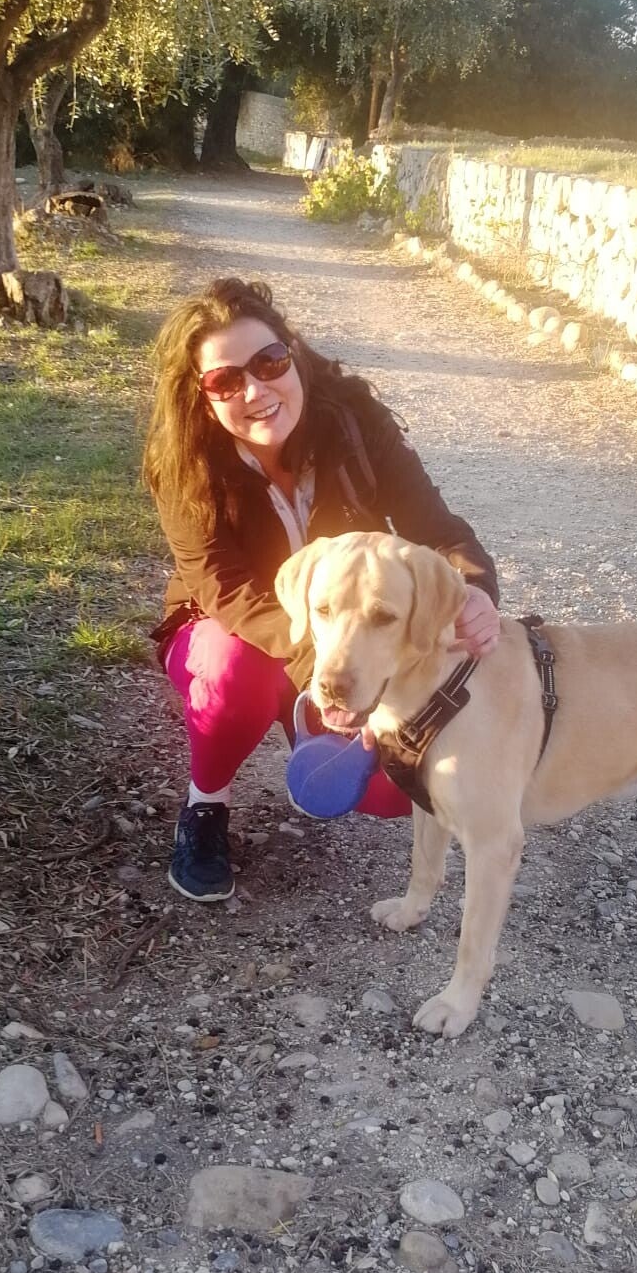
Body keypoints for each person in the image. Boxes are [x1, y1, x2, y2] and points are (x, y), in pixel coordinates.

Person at [144, 276, 500, 902]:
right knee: (235, 672)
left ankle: (309, 744)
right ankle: (206, 806)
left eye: (269, 361)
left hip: (342, 642)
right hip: (234, 633)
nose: (255, 390)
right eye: (225, 382)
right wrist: (319, 669)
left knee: (394, 792)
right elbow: (222, 587)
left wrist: (472, 592)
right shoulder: (185, 464)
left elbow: (437, 528)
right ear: (203, 399)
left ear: (294, 352)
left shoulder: (355, 426)